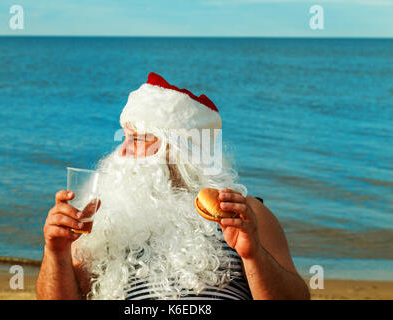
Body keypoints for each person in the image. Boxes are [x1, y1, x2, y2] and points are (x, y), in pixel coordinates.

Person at [36, 72, 310, 300]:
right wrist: (56, 251)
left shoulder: (242, 213)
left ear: (180, 151)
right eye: (124, 138)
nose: (122, 152)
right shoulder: (99, 218)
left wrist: (253, 256)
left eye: (138, 139)